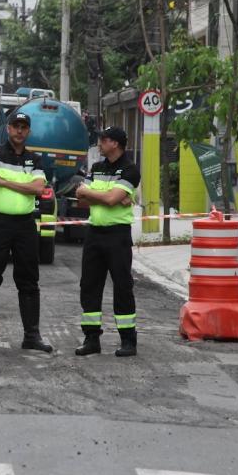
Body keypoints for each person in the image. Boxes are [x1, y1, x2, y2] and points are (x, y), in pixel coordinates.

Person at [0, 112, 53, 354]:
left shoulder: (34, 160)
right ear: (8, 129)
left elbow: (38, 189)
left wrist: (4, 182)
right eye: (16, 126)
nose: (19, 131)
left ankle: (31, 335)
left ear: (28, 131)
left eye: (24, 127)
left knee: (29, 280)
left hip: (25, 225)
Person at [74, 126, 141, 357]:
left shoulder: (130, 170)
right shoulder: (97, 167)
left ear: (115, 143)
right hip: (94, 233)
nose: (99, 143)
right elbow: (80, 200)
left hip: (117, 236)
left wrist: (94, 194)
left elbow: (109, 199)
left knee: (122, 286)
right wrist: (107, 197)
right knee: (89, 286)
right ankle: (91, 338)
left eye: (103, 140)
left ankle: (128, 341)